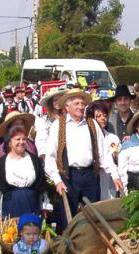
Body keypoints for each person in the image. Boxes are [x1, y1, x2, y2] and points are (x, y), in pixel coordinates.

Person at [45, 89, 123, 224]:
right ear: (67, 107)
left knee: (94, 216)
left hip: (90, 176)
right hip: (69, 177)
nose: (81, 106)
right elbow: (50, 156)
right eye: (77, 103)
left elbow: (103, 154)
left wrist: (115, 175)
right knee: (69, 219)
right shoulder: (58, 125)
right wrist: (57, 180)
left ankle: (93, 243)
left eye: (82, 103)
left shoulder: (92, 124)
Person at [0, 127, 48, 218]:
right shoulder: (2, 163)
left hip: (32, 204)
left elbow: (42, 186)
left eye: (24, 139)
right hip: (10, 206)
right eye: (17, 139)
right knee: (11, 231)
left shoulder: (35, 161)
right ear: (10, 143)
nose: (21, 142)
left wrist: (45, 206)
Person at [87, 101, 120, 200]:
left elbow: (117, 156)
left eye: (105, 116)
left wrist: (116, 156)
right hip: (93, 178)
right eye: (98, 116)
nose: (102, 118)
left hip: (109, 178)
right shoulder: (87, 138)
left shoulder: (113, 138)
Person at [35, 88, 66, 159]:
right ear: (50, 102)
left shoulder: (67, 117)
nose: (58, 102)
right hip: (53, 157)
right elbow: (41, 143)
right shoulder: (43, 121)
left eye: (60, 99)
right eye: (55, 100)